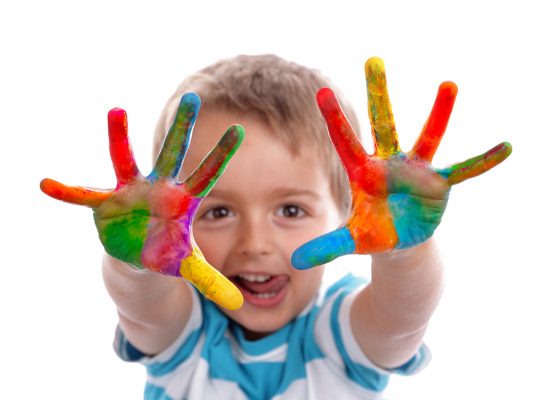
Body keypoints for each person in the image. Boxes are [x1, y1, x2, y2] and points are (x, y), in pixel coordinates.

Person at [41, 54, 511, 399]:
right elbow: (144, 310)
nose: (255, 245)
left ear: (348, 210)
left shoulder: (337, 331)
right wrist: (135, 265)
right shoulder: (184, 332)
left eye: (290, 210)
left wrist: (405, 251)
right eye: (218, 212)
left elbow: (400, 320)